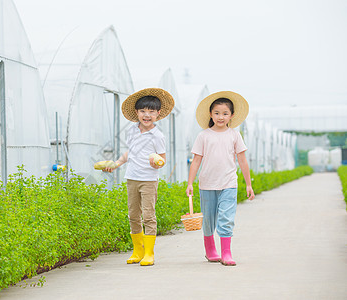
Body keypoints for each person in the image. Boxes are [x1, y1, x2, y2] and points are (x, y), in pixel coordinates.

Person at [102, 88, 174, 266]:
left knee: (149, 215)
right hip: (132, 178)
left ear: (158, 113)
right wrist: (117, 163)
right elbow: (130, 153)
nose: (146, 115)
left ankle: (149, 253)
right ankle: (138, 250)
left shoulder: (158, 135)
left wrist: (157, 162)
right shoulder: (132, 131)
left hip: (149, 180)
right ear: (136, 113)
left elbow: (163, 159)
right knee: (133, 215)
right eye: (143, 111)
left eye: (151, 112)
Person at [186, 91, 255, 266]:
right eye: (217, 113)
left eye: (225, 113)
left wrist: (248, 184)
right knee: (209, 219)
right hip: (207, 184)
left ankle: (226, 252)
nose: (220, 117)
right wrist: (189, 183)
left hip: (228, 183)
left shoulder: (234, 135)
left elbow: (242, 160)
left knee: (226, 217)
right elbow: (196, 161)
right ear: (210, 114)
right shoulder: (203, 136)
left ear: (231, 115)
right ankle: (210, 250)